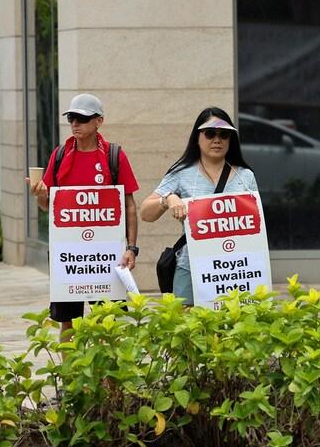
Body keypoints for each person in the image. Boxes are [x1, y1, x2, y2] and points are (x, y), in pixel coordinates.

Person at [27, 93, 140, 339]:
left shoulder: (114, 156)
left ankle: (110, 379)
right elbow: (48, 206)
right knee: (68, 322)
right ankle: (71, 376)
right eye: (71, 118)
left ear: (99, 121)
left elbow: (129, 205)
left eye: (82, 118)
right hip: (69, 256)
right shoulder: (59, 155)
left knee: (108, 322)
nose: (75, 124)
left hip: (106, 254)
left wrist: (131, 247)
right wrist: (39, 194)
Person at [139, 108, 258, 305]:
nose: (217, 139)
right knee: (186, 330)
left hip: (235, 269)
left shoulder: (245, 177)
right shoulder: (181, 173)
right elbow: (145, 213)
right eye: (210, 133)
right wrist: (167, 199)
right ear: (197, 137)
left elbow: (256, 226)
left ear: (231, 139)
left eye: (224, 134)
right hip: (190, 268)